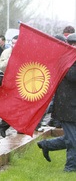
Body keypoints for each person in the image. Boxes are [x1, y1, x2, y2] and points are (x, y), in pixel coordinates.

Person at [37, 33, 76, 172]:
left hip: (72, 105)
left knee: (72, 138)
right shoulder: (65, 61)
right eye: (73, 44)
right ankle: (70, 168)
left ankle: (47, 145)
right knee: (73, 140)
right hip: (67, 107)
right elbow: (73, 77)